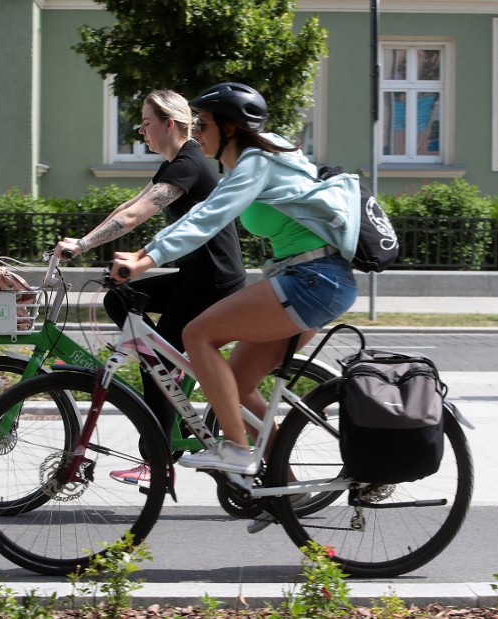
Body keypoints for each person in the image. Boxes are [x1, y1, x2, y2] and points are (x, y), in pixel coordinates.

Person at [110, 82, 360, 531]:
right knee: (240, 386)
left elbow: (205, 219)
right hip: (311, 280)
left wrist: (145, 258)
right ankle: (286, 489)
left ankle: (239, 452)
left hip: (311, 279)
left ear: (229, 128)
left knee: (197, 335)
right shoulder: (266, 156)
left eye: (202, 125)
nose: (196, 132)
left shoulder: (256, 163)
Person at [54, 89, 246, 486]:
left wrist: (84, 245)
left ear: (168, 125)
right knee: (119, 300)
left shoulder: (189, 164)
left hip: (212, 282)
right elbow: (127, 207)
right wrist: (81, 242)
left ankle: (159, 462)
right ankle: (160, 367)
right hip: (195, 277)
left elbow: (139, 216)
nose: (140, 130)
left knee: (158, 364)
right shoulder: (175, 164)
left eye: (145, 122)